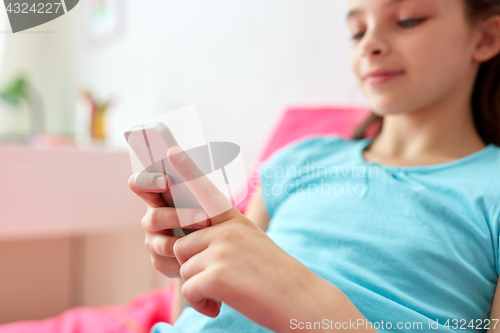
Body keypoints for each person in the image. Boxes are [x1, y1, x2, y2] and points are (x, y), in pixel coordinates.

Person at [128, 0, 500, 331]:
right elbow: (198, 314)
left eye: (407, 20)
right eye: (357, 31)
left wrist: (305, 299)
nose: (370, 44)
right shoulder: (300, 158)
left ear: (486, 37)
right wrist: (189, 260)